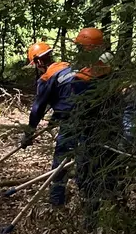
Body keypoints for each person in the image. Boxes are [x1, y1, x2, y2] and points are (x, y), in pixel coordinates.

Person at [20, 27, 113, 217]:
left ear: (38, 61)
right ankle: (90, 208)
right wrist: (56, 117)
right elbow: (69, 94)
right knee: (86, 161)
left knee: (62, 159)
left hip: (73, 122)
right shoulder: (71, 67)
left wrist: (29, 133)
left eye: (34, 64)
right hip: (92, 120)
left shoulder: (48, 77)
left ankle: (57, 203)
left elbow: (38, 108)